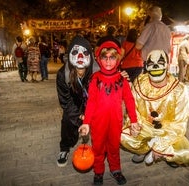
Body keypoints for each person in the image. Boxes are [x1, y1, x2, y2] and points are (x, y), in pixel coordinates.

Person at [78, 40, 140, 185]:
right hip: (97, 122)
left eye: (112, 57)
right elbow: (91, 101)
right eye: (105, 57)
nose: (108, 61)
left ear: (117, 59)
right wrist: (86, 122)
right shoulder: (95, 79)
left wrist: (134, 120)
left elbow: (130, 101)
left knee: (113, 147)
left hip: (115, 122)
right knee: (98, 148)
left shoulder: (122, 80)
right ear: (99, 59)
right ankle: (98, 172)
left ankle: (116, 169)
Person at [121, 50, 189, 168]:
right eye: (151, 63)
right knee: (123, 136)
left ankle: (162, 151)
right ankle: (144, 149)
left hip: (168, 130)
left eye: (160, 62)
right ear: (145, 66)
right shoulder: (139, 82)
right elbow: (133, 109)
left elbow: (180, 123)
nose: (155, 66)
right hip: (145, 127)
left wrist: (161, 145)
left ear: (167, 65)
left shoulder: (179, 89)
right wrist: (135, 124)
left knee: (186, 154)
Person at [56, 36, 95, 167]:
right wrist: (79, 116)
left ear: (90, 55)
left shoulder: (97, 72)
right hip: (74, 104)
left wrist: (120, 78)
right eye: (75, 52)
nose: (80, 56)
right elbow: (65, 101)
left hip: (93, 105)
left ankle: (100, 147)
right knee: (67, 121)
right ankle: (64, 148)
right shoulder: (63, 74)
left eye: (84, 53)